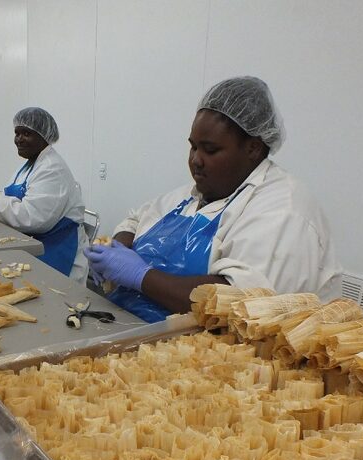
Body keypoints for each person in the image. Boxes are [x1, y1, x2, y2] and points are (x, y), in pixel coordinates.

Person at [84, 76, 342, 323]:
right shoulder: (195, 194)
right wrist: (116, 250)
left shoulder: (284, 210)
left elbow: (236, 303)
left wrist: (141, 276)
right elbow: (136, 219)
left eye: (210, 150)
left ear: (253, 148)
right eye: (193, 146)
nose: (196, 159)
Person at [0, 107, 89, 282]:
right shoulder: (29, 165)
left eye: (26, 133)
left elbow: (34, 218)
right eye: (17, 133)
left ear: (44, 136)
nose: (19, 139)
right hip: (36, 242)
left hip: (58, 249)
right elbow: (16, 199)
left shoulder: (52, 169)